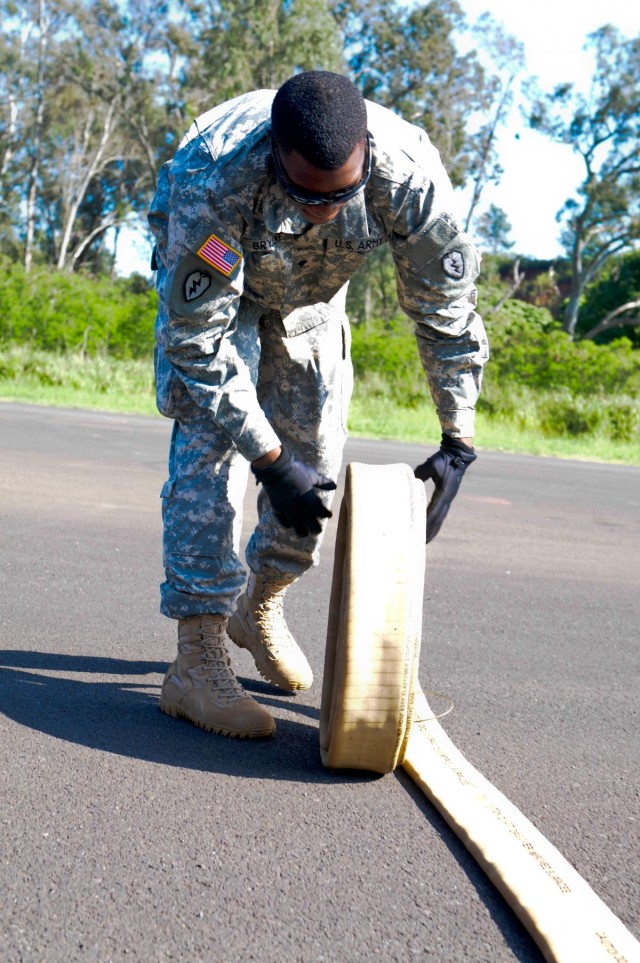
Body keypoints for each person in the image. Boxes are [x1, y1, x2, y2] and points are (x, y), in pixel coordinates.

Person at [148, 70, 489, 741]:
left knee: (318, 463)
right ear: (275, 156)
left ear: (365, 154)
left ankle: (262, 603)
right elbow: (196, 342)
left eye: (340, 197)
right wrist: (266, 457)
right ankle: (196, 655)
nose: (323, 211)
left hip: (311, 294)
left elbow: (444, 309)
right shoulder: (215, 179)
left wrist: (459, 435)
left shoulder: (407, 174)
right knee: (211, 443)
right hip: (225, 290)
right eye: (305, 196)